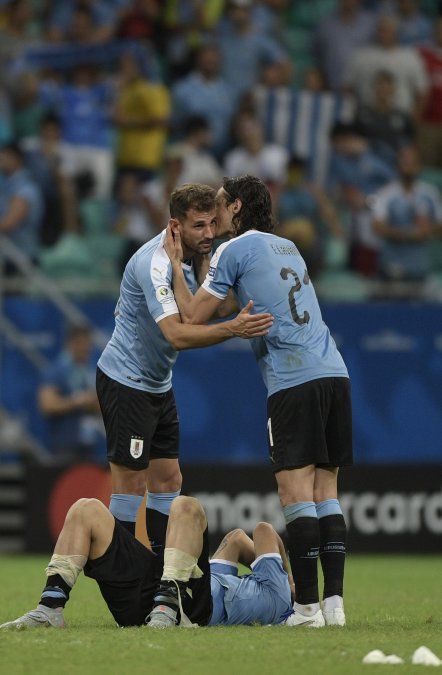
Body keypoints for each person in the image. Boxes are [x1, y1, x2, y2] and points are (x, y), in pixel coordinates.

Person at [164, 175, 353, 628]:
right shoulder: (285, 246)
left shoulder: (235, 249)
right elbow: (236, 304)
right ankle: (334, 605)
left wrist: (177, 265)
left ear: (239, 207)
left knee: (295, 494)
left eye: (222, 205)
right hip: (334, 373)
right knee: (327, 495)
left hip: (293, 380)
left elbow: (192, 315)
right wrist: (211, 267)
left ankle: (305, 609)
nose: (217, 213)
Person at [96, 183, 272, 572]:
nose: (209, 233)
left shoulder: (192, 257)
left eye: (212, 222)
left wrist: (200, 268)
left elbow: (208, 308)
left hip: (158, 383)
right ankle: (121, 579)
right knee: (130, 487)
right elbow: (177, 334)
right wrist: (234, 329)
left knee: (168, 479)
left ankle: (161, 570)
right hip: (126, 382)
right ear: (175, 225)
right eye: (198, 226)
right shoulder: (154, 262)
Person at [0, 495, 293, 630]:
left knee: (186, 507)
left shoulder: (278, 595)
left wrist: (291, 580)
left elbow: (263, 531)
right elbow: (237, 539)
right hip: (162, 589)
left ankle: (167, 606)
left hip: (191, 607)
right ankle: (50, 608)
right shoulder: (247, 585)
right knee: (85, 508)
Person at [372, 145, 441, 285]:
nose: (409, 168)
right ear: (397, 166)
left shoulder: (429, 193)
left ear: (419, 166)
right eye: (405, 163)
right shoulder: (386, 194)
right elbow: (377, 226)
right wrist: (406, 234)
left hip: (421, 265)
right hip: (392, 265)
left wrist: (426, 231)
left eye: (413, 164)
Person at [38, 325, 103, 461]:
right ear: (70, 343)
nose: (86, 348)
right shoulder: (57, 370)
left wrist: (93, 402)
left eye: (88, 344)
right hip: (64, 445)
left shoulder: (90, 369)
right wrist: (78, 401)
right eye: (81, 343)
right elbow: (47, 405)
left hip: (89, 444)